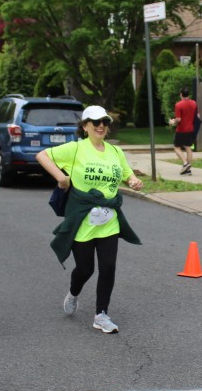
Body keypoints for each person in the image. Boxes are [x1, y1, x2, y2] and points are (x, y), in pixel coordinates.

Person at [38, 105, 143, 334]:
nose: (101, 125)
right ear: (85, 126)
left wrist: (133, 181)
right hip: (83, 220)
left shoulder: (115, 152)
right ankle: (73, 292)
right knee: (85, 269)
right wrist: (61, 177)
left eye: (105, 121)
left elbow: (127, 174)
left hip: (109, 219)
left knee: (108, 266)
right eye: (95, 122)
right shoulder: (76, 149)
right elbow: (42, 155)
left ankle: (101, 314)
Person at [169, 87, 198, 175]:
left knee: (176, 147)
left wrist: (173, 121)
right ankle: (187, 170)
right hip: (190, 129)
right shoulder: (194, 103)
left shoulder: (178, 105)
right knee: (188, 148)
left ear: (181, 94)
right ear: (188, 94)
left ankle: (185, 163)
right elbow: (197, 115)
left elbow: (179, 119)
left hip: (181, 130)